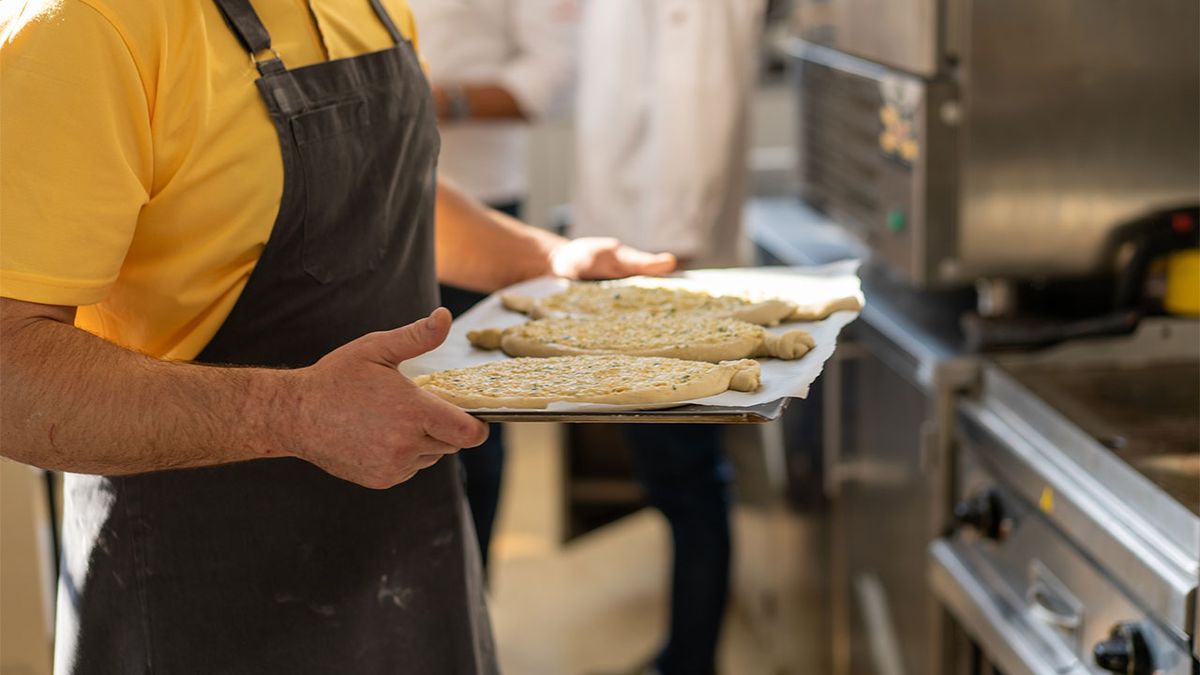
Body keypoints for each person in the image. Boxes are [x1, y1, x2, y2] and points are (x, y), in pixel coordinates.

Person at [0, 1, 673, 672]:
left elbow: (394, 187)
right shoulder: (87, 27)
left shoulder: (370, 6)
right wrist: (291, 412)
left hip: (411, 553)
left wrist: (544, 260)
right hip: (204, 588)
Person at [572, 1, 767, 674]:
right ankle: (683, 653)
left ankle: (689, 661)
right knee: (674, 479)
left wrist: (674, 251)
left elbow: (699, 98)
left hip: (663, 266)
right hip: (634, 254)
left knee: (687, 483)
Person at [408, 0, 578, 570]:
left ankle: (472, 603)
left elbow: (551, 74)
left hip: (481, 201)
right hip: (373, 206)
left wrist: (442, 101)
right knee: (386, 407)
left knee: (472, 417)